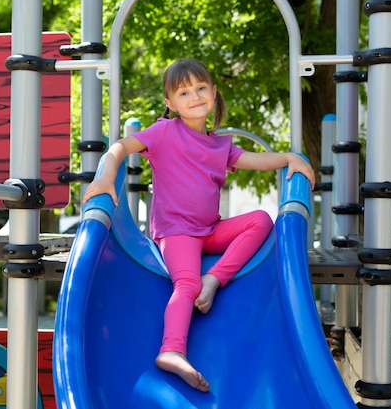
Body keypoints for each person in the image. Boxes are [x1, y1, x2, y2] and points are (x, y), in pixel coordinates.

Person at [83, 58, 315, 392]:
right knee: (186, 285)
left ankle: (215, 278)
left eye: (201, 88)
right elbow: (120, 147)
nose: (194, 96)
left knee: (261, 221)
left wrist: (289, 158)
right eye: (183, 92)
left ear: (214, 92)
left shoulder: (221, 146)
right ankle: (172, 350)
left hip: (209, 230)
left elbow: (255, 161)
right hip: (176, 232)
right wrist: (106, 176)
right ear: (170, 103)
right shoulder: (164, 132)